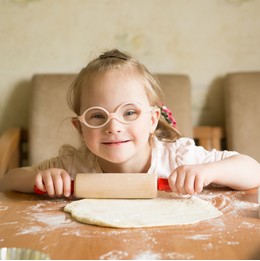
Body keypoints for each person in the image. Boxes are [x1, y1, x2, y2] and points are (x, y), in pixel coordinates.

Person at [1, 49, 260, 197]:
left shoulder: (178, 159)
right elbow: (9, 181)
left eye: (129, 113)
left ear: (152, 120)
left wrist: (208, 172)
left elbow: (253, 171)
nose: (113, 126)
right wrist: (40, 178)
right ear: (79, 128)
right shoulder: (72, 166)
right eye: (97, 115)